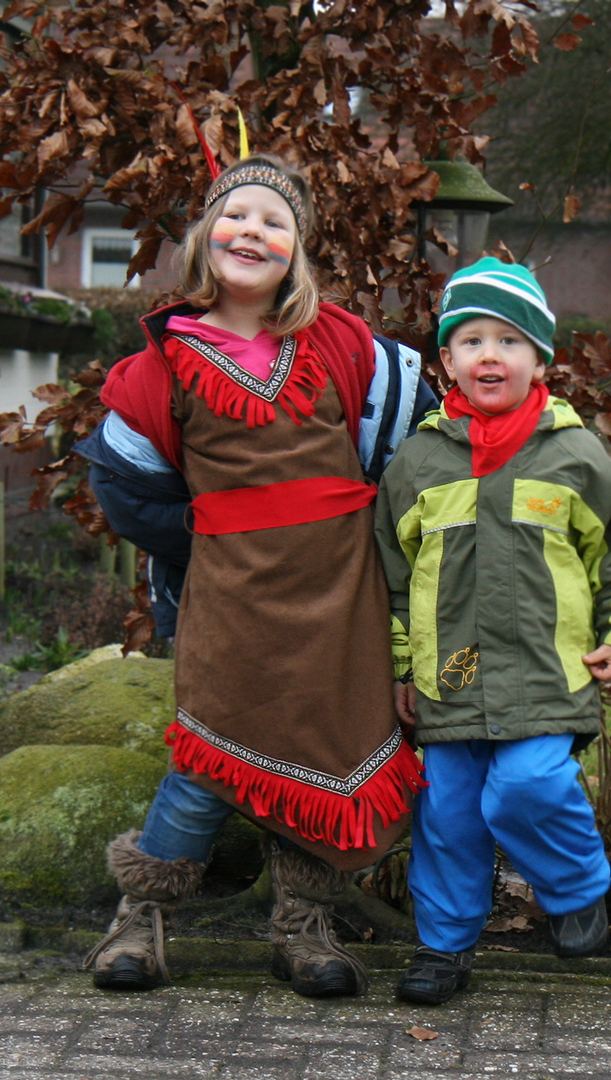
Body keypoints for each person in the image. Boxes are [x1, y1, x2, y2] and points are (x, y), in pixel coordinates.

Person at [74, 153, 437, 998]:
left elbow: (408, 452)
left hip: (344, 595)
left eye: (275, 222)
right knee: (208, 758)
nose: (254, 231)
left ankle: (302, 929)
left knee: (333, 745)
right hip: (231, 595)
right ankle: (138, 915)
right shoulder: (162, 363)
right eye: (236, 215)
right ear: (205, 237)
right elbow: (127, 490)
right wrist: (219, 542)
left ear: (298, 251)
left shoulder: (348, 348)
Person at [373, 258, 611, 1005]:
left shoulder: (574, 456)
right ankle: (443, 948)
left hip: (545, 671)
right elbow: (393, 580)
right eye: (470, 341)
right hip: (449, 678)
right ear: (447, 363)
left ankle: (573, 890)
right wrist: (402, 669)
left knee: (526, 788)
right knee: (450, 818)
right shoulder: (418, 463)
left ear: (540, 359)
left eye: (509, 340)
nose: (489, 355)